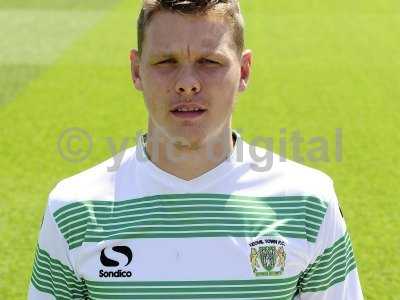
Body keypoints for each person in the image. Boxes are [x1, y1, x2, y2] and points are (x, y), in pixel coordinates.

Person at [28, 0, 364, 299]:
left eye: (209, 61)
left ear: (244, 71)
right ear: (136, 70)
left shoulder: (309, 203)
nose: (187, 82)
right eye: (166, 61)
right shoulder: (74, 210)